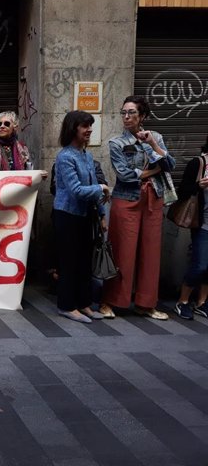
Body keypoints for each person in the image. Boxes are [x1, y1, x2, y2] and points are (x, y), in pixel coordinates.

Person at [100, 95, 175, 320]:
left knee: (151, 253)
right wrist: (155, 170)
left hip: (154, 198)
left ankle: (146, 303)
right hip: (127, 199)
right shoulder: (117, 143)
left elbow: (170, 164)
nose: (126, 116)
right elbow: (125, 175)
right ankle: (109, 301)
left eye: (131, 112)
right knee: (123, 251)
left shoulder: (156, 137)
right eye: (123, 112)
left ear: (142, 116)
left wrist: (152, 143)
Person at [52, 110, 110, 323]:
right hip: (67, 216)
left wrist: (102, 215)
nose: (89, 130)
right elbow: (76, 190)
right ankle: (66, 306)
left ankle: (84, 304)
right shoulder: (65, 157)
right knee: (69, 263)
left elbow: (92, 188)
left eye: (90, 125)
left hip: (86, 215)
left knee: (85, 262)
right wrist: (102, 187)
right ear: (73, 129)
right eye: (85, 126)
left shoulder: (87, 155)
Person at [173, 135, 208, 320]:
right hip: (203, 224)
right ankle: (183, 301)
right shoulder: (198, 163)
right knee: (200, 265)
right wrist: (198, 185)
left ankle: (202, 303)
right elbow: (183, 191)